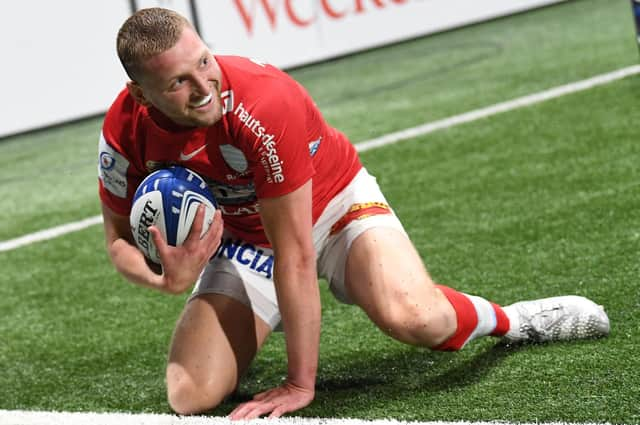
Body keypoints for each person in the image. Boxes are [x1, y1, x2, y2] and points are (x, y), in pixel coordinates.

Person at [98, 7, 610, 420]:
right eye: (178, 83)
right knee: (191, 395)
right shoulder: (124, 130)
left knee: (416, 319)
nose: (205, 86)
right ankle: (242, 339)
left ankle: (514, 321)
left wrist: (301, 383)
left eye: (204, 62)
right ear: (141, 94)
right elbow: (118, 240)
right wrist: (164, 280)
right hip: (244, 240)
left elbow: (295, 254)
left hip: (333, 204)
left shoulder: (262, 102)